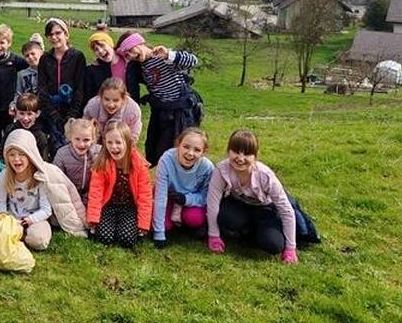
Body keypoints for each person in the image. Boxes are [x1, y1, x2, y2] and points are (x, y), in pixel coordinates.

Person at [206, 130, 299, 263]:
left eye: (247, 154)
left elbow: (286, 210)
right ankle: (246, 230)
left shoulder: (265, 176)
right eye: (236, 151)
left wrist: (291, 248)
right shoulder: (221, 170)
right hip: (239, 205)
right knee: (225, 217)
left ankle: (258, 232)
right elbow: (212, 202)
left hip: (265, 209)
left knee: (274, 245)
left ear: (255, 156)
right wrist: (213, 236)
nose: (240, 158)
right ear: (228, 151)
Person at [116, 31, 201, 166]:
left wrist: (169, 55)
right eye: (127, 55)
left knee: (181, 147)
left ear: (139, 43)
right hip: (162, 111)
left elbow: (193, 61)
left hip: (181, 111)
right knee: (157, 149)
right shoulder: (139, 66)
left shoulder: (163, 56)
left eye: (130, 50)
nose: (131, 56)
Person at [0, 129, 87, 251]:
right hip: (12, 217)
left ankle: (20, 237)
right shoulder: (4, 176)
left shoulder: (39, 176)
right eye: (12, 155)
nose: (16, 159)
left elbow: (46, 209)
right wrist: (6, 217)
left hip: (36, 219)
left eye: (22, 154)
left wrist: (29, 221)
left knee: (39, 241)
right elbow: (0, 202)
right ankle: (15, 236)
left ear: (30, 155)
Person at [86, 121, 153, 249]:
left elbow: (145, 196)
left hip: (129, 207)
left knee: (126, 239)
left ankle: (122, 228)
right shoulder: (102, 163)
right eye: (109, 142)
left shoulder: (139, 165)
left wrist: (143, 224)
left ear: (127, 143)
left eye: (118, 142)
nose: (114, 147)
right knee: (104, 238)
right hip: (108, 206)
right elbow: (96, 193)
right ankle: (111, 227)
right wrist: (93, 219)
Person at [152, 128, 214, 248]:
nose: (190, 153)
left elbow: (206, 196)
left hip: (190, 201)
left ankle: (185, 223)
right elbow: (160, 196)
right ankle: (173, 221)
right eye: (186, 147)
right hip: (169, 196)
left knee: (194, 219)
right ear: (178, 145)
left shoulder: (207, 168)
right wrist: (159, 233)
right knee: (163, 225)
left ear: (203, 152)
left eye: (197, 150)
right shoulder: (166, 159)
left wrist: (187, 199)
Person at [37, 18, 87, 150]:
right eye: (50, 35)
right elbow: (42, 88)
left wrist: (72, 114)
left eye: (58, 33)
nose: (54, 37)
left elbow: (80, 87)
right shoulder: (45, 59)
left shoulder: (77, 56)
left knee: (74, 146)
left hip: (72, 109)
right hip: (51, 110)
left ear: (66, 34)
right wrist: (53, 114)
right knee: (55, 147)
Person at [84, 31, 142, 107]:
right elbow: (90, 96)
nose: (100, 51)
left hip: (130, 109)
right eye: (96, 50)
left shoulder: (129, 60)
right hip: (108, 110)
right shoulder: (94, 70)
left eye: (102, 45)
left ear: (110, 44)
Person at [52, 118, 101, 206]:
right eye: (77, 139)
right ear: (70, 137)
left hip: (92, 194)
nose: (81, 144)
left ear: (93, 139)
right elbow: (56, 179)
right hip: (69, 195)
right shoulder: (62, 153)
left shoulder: (99, 153)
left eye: (86, 140)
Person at [82, 78, 142, 144]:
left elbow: (132, 137)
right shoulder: (92, 106)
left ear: (123, 99)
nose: (111, 105)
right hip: (97, 140)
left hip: (121, 143)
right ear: (100, 97)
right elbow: (84, 130)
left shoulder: (133, 111)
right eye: (107, 99)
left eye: (116, 100)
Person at [1, 93, 51, 161]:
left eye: (29, 114)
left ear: (37, 113)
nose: (25, 118)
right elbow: (3, 151)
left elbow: (44, 159)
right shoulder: (11, 129)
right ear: (16, 112)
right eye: (21, 113)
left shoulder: (40, 136)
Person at [11, 35, 44, 111]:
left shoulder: (48, 71)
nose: (30, 57)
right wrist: (14, 105)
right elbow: (18, 94)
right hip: (28, 110)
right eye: (27, 56)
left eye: (33, 54)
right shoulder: (21, 74)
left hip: (45, 110)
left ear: (41, 53)